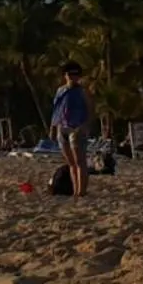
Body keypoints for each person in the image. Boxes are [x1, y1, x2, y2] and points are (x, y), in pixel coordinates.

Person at [51, 61, 92, 198]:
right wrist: (53, 127)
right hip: (62, 127)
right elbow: (57, 109)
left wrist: (85, 125)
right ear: (65, 75)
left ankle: (81, 191)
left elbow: (90, 109)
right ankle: (75, 190)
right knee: (71, 163)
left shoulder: (82, 91)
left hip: (77, 127)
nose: (73, 77)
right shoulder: (60, 90)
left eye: (76, 74)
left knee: (80, 161)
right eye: (70, 74)